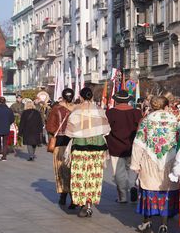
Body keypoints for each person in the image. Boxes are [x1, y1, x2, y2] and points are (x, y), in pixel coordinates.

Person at [131, 96, 180, 233]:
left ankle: (147, 222)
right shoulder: (173, 120)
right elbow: (179, 141)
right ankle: (164, 224)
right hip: (169, 159)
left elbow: (138, 143)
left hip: (150, 160)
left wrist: (135, 163)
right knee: (165, 191)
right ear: (166, 106)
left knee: (148, 189)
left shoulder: (146, 120)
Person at [64, 87, 110, 218]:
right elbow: (107, 129)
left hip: (80, 147)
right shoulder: (99, 110)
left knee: (80, 175)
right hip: (97, 147)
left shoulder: (76, 110)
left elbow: (69, 131)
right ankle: (89, 203)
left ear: (82, 97)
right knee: (94, 175)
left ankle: (82, 202)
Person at [106, 90, 142, 203]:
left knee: (119, 172)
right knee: (132, 169)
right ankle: (132, 187)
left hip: (115, 146)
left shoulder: (111, 113)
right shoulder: (137, 112)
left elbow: (107, 130)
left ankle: (122, 196)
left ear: (116, 100)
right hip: (133, 145)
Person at [46, 88, 75, 208]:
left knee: (61, 170)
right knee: (73, 170)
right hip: (74, 143)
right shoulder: (77, 109)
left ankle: (63, 195)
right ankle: (74, 197)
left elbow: (50, 127)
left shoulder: (56, 109)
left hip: (60, 143)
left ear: (62, 97)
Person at [0, 96, 15, 161]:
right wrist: (8, 123)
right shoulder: (9, 110)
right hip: (6, 127)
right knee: (5, 143)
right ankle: (4, 156)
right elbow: (12, 119)